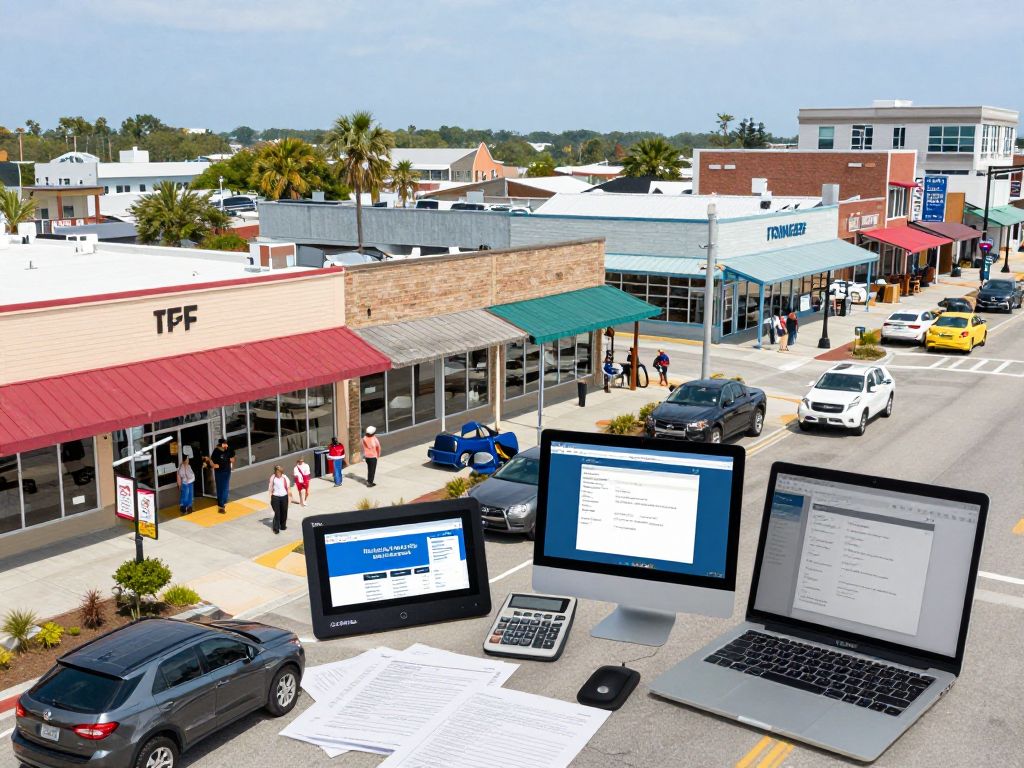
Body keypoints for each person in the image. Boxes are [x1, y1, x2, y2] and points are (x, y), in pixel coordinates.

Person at [207, 438, 235, 514]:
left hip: (227, 471)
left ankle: (223, 502)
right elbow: (211, 461)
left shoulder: (228, 449)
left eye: (226, 444)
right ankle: (221, 504)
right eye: (224, 444)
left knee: (225, 487)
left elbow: (233, 457)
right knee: (220, 487)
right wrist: (213, 465)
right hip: (219, 472)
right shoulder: (216, 451)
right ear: (221, 445)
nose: (226, 446)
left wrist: (232, 460)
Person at [268, 465, 291, 535]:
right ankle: (276, 529)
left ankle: (283, 526)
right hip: (275, 497)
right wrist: (270, 497)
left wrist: (290, 498)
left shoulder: (285, 477)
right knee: (277, 514)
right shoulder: (273, 477)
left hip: (284, 497)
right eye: (277, 472)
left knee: (284, 512)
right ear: (275, 471)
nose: (278, 473)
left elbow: (288, 488)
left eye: (279, 472)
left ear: (281, 472)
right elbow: (270, 488)